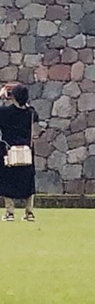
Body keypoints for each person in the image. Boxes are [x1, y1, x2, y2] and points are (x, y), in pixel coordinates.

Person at [0, 82, 38, 221]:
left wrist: (2, 97)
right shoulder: (31, 113)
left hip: (8, 149)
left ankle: (10, 212)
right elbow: (36, 128)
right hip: (27, 151)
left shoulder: (4, 112)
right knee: (28, 180)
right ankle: (29, 212)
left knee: (6, 180)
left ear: (13, 97)